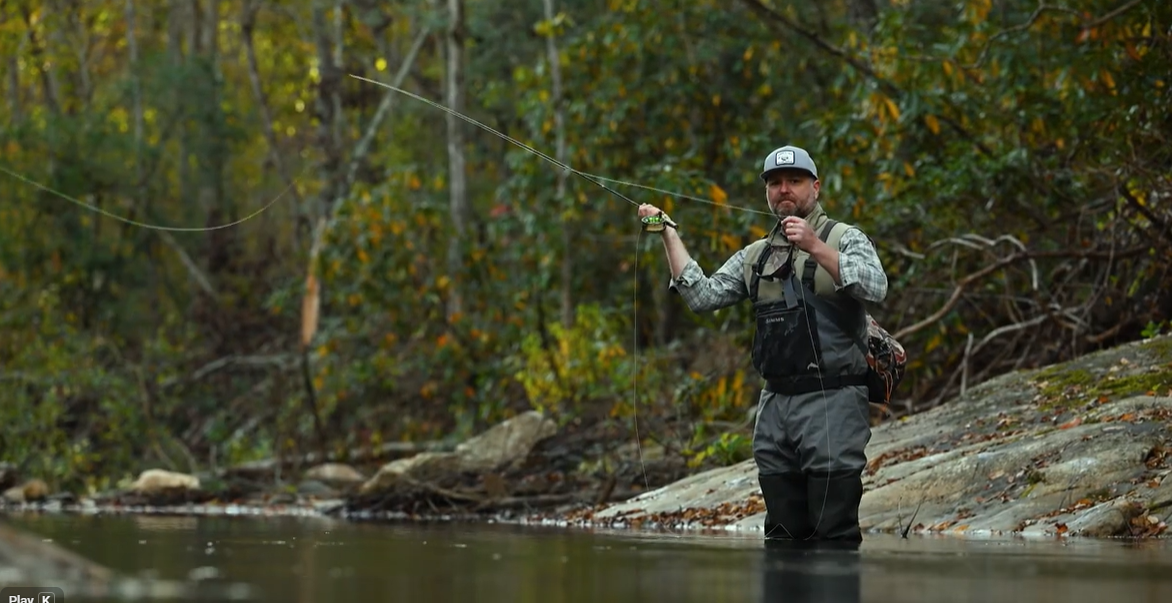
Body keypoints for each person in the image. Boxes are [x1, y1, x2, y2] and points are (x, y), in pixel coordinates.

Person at [637, 145, 888, 542]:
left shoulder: (844, 237)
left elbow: (877, 287)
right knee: (782, 533)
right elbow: (703, 296)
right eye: (775, 183)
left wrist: (815, 246)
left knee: (833, 531)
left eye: (794, 181)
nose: (783, 190)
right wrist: (669, 235)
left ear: (816, 187)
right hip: (774, 409)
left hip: (834, 401)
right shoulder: (755, 255)